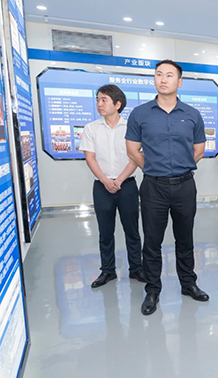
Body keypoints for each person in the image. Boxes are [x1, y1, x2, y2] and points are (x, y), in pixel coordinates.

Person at [126, 60, 209, 316]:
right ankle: (152, 290)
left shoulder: (192, 114)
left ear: (179, 82)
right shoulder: (140, 113)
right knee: (152, 241)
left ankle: (188, 283)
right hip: (154, 187)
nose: (163, 79)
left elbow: (199, 150)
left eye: (169, 75)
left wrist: (179, 168)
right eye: (159, 74)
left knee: (185, 238)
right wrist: (153, 168)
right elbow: (132, 150)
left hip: (185, 186)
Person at [81, 84, 144, 288]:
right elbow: (90, 158)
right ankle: (107, 271)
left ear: (117, 104)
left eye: (104, 100)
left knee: (132, 230)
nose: (99, 104)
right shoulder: (91, 128)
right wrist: (106, 180)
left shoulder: (130, 128)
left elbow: (135, 157)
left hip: (127, 185)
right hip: (102, 186)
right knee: (105, 232)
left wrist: (119, 180)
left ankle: (136, 268)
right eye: (97, 100)